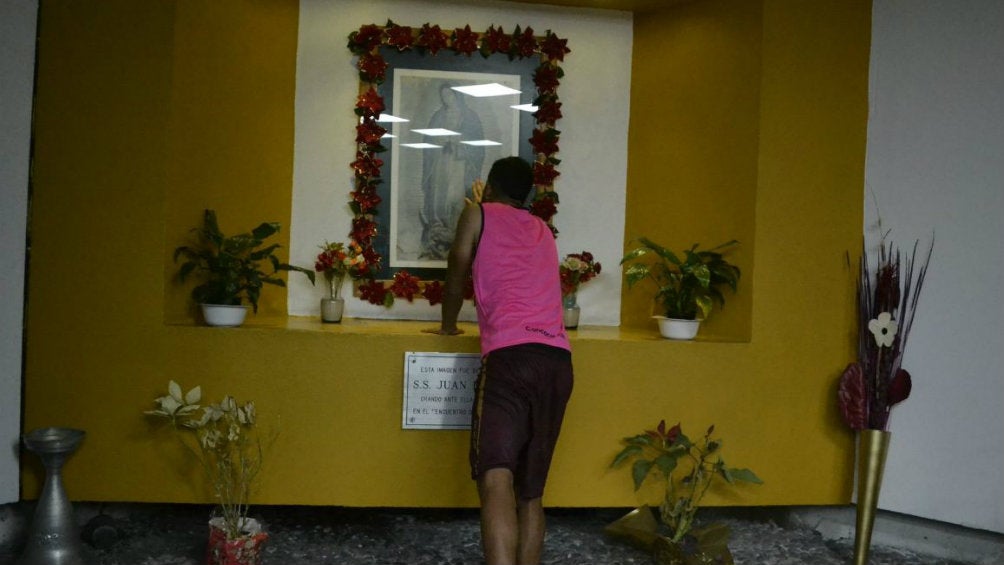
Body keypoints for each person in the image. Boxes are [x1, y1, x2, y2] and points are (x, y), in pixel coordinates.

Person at [425, 156, 573, 565]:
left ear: (489, 186)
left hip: (511, 359)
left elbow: (457, 268)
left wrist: (449, 325)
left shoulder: (477, 213)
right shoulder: (543, 229)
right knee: (530, 492)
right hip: (557, 362)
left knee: (495, 479)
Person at [419, 83, 485, 260]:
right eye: (444, 96)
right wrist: (438, 141)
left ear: (457, 96)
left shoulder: (470, 117)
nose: (447, 99)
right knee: (439, 194)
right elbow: (427, 142)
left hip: (460, 164)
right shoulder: (438, 116)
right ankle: (438, 229)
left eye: (450, 96)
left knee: (455, 195)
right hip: (441, 162)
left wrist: (458, 142)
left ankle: (456, 230)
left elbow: (478, 145)